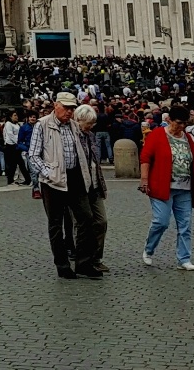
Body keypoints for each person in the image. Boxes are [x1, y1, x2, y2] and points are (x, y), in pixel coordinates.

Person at [27, 93, 99, 279]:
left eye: (72, 108)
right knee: (56, 224)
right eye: (66, 107)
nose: (69, 111)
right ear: (55, 105)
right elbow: (33, 155)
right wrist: (48, 172)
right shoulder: (42, 125)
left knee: (86, 218)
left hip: (75, 176)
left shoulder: (75, 125)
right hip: (53, 181)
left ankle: (83, 263)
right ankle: (62, 264)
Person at [139, 103, 194, 271]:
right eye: (178, 123)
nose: (181, 127)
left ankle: (184, 258)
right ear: (169, 120)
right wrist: (144, 180)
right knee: (161, 222)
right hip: (161, 186)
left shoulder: (187, 138)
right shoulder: (157, 135)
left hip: (184, 188)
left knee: (185, 225)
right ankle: (149, 249)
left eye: (184, 123)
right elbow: (146, 158)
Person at [72, 103, 109, 274]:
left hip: (94, 185)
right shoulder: (72, 137)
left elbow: (95, 162)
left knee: (101, 221)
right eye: (89, 123)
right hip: (79, 186)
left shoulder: (91, 136)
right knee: (83, 223)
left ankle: (96, 258)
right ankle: (83, 259)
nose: (91, 127)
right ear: (78, 121)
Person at [2, 111, 26, 186]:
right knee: (13, 164)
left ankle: (26, 179)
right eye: (15, 115)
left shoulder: (17, 124)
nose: (16, 117)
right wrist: (17, 142)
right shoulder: (8, 124)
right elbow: (10, 134)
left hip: (16, 146)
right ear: (10, 116)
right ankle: (10, 180)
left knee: (20, 163)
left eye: (17, 115)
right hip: (11, 145)